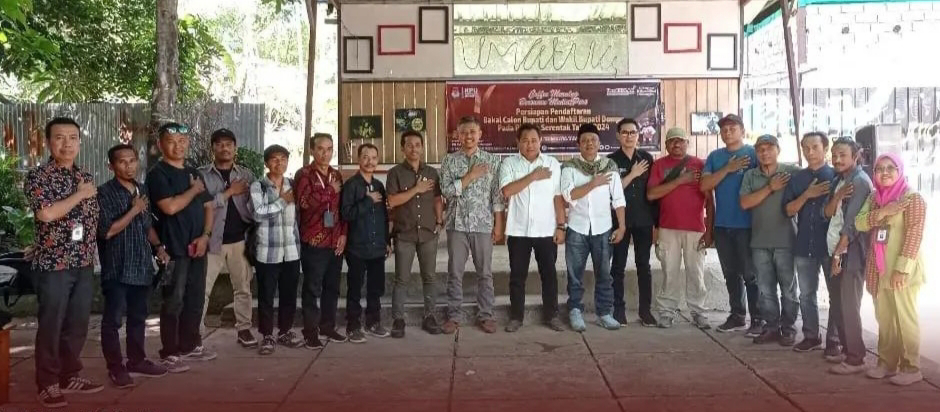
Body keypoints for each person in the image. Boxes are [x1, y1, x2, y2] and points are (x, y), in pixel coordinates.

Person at [26, 117, 103, 408]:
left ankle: (70, 375)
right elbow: (46, 214)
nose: (67, 144)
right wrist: (80, 195)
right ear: (48, 142)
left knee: (78, 324)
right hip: (54, 264)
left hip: (82, 262)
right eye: (59, 137)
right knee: (52, 325)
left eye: (72, 138)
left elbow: (91, 220)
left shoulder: (84, 176)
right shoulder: (39, 176)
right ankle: (47, 383)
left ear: (80, 142)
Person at [96, 144, 171, 388]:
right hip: (117, 267)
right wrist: (134, 209)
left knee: (139, 317)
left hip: (141, 266)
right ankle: (115, 368)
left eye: (132, 160)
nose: (129, 166)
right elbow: (107, 231)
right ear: (111, 166)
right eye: (122, 162)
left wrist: (158, 247)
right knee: (113, 321)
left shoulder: (141, 189)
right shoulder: (104, 193)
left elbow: (146, 225)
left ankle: (137, 360)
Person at [146, 122, 218, 370]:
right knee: (173, 300)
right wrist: (193, 190)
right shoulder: (158, 174)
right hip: (173, 248)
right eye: (171, 141)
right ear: (160, 145)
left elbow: (209, 206)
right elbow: (170, 207)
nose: (178, 146)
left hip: (197, 246)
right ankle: (169, 351)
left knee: (195, 298)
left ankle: (190, 345)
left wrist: (205, 236)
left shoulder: (193, 171)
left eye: (182, 141)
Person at [856, 153, 927, 386]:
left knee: (904, 319)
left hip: (902, 270)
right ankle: (887, 363)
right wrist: (884, 212)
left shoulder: (912, 198)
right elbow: (859, 222)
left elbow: (914, 235)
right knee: (885, 320)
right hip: (878, 270)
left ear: (900, 170)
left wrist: (902, 269)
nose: (884, 173)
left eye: (890, 168)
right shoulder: (875, 197)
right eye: (879, 169)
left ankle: (911, 367)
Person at [439, 116, 505, 334]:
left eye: (472, 132)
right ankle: (454, 316)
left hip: (482, 224)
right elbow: (447, 191)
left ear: (480, 134)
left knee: (485, 272)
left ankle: (486, 315)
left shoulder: (492, 160)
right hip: (456, 224)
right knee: (454, 273)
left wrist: (498, 225)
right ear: (457, 135)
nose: (468, 136)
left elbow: (496, 196)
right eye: (464, 132)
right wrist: (471, 176)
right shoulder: (449, 161)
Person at [498, 123, 566, 332]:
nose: (530, 144)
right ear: (518, 142)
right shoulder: (509, 163)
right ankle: (516, 317)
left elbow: (558, 197)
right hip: (518, 230)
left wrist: (561, 226)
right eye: (525, 140)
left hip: (546, 230)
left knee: (549, 275)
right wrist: (533, 176)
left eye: (534, 140)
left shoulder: (552, 163)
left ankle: (552, 316)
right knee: (517, 276)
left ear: (541, 141)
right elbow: (507, 191)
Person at [699, 114, 761, 336]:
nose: (728, 133)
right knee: (730, 273)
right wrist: (728, 168)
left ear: (743, 131)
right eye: (724, 130)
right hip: (723, 225)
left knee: (750, 273)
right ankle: (737, 315)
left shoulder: (754, 154)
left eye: (732, 129)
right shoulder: (716, 157)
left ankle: (758, 318)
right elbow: (704, 184)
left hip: (747, 224)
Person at [561, 123, 626, 332]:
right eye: (584, 140)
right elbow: (568, 196)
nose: (589, 143)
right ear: (578, 144)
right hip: (577, 228)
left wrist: (622, 226)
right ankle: (575, 311)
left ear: (599, 143)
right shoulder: (569, 167)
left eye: (593, 140)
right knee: (574, 275)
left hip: (603, 228)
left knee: (604, 274)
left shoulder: (609, 166)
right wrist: (593, 183)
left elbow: (618, 199)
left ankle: (604, 313)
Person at [647, 127, 713, 329]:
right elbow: (651, 194)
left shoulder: (700, 164)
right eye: (672, 141)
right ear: (666, 145)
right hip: (667, 228)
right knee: (669, 272)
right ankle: (667, 312)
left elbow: (710, 199)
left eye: (680, 140)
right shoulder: (659, 165)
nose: (676, 144)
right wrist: (680, 180)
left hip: (695, 229)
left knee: (696, 272)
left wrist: (709, 230)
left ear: (687, 143)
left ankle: (699, 312)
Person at [782, 132, 840, 355]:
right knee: (806, 294)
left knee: (836, 294)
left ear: (825, 149)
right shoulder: (798, 178)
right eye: (806, 148)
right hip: (804, 242)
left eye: (815, 147)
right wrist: (807, 194)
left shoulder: (836, 176)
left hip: (831, 245)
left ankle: (834, 339)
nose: (810, 152)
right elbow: (788, 210)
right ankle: (811, 336)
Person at [739, 135, 800, 345]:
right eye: (760, 150)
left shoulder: (792, 172)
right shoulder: (750, 175)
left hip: (786, 241)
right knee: (765, 290)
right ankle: (771, 327)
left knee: (788, 290)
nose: (765, 153)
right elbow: (745, 203)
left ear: (778, 150)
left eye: (769, 148)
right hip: (759, 242)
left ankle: (788, 328)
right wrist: (770, 187)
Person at [199, 128, 256, 348]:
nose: (225, 148)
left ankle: (244, 330)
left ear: (235, 148)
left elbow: (254, 206)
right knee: (202, 289)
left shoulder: (246, 175)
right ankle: (195, 333)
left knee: (243, 288)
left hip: (239, 241)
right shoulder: (202, 175)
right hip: (211, 241)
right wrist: (229, 193)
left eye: (229, 144)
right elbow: (201, 206)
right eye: (220, 144)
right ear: (212, 148)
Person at [386, 130, 445, 337]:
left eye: (418, 145)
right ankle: (398, 319)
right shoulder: (395, 173)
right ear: (402, 148)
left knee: (429, 277)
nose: (414, 149)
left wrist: (439, 220)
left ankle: (430, 316)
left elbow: (437, 199)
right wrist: (416, 189)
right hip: (405, 233)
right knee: (401, 279)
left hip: (428, 233)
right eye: (409, 145)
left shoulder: (432, 172)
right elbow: (392, 201)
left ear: (422, 147)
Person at [249, 144, 305, 355]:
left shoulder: (293, 185)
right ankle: (267, 335)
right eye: (274, 159)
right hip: (267, 252)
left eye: (283, 158)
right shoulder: (259, 186)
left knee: (289, 295)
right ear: (266, 163)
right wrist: (283, 201)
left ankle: (285, 331)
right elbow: (258, 214)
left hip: (291, 250)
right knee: (266, 296)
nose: (279, 163)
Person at [825, 138, 873, 373]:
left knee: (849, 305)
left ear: (856, 156)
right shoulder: (839, 180)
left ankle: (856, 358)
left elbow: (852, 225)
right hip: (835, 248)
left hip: (850, 252)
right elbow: (827, 213)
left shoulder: (860, 182)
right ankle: (847, 350)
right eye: (834, 155)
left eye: (842, 155)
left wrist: (838, 255)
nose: (837, 159)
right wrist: (837, 196)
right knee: (838, 303)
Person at [294, 133, 347, 346]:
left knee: (332, 288)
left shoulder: (336, 174)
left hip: (334, 241)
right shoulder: (304, 174)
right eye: (320, 149)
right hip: (314, 241)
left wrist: (343, 234)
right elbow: (305, 203)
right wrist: (330, 191)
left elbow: (341, 208)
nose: (325, 153)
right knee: (312, 288)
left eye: (329, 149)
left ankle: (328, 327)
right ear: (312, 150)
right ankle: (310, 332)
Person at [607, 118, 657, 326]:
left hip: (644, 219)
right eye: (625, 133)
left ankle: (645, 311)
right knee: (618, 266)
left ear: (638, 135)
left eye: (633, 132)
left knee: (643, 265)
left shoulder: (647, 158)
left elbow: (653, 191)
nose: (629, 136)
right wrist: (633, 174)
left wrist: (656, 223)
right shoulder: (610, 161)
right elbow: (611, 191)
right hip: (620, 221)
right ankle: (618, 310)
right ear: (618, 136)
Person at [340, 143, 392, 343]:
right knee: (355, 289)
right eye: (365, 157)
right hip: (357, 247)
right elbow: (346, 214)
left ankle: (373, 322)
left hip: (377, 246)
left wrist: (386, 241)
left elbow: (384, 216)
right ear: (358, 159)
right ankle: (353, 326)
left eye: (373, 157)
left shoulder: (379, 185)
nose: (370, 161)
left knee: (375, 288)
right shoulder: (352, 185)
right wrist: (367, 201)